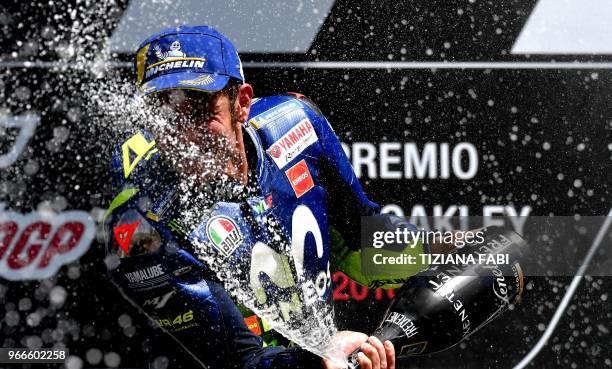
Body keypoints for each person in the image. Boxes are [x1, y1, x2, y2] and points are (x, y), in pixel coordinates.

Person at [104, 25, 429, 369]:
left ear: (242, 103)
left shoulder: (296, 123)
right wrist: (317, 361)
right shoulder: (144, 231)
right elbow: (239, 363)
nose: (184, 135)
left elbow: (359, 244)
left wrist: (441, 250)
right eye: (166, 116)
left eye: (201, 109)